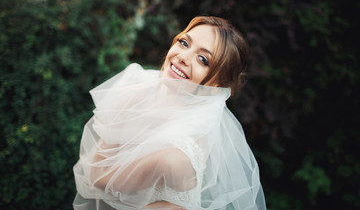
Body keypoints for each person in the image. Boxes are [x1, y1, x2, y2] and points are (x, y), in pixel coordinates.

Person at [73, 16, 266, 210]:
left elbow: (99, 179)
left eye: (203, 59)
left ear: (216, 85)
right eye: (184, 43)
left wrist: (122, 114)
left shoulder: (173, 157)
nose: (183, 56)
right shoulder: (142, 89)